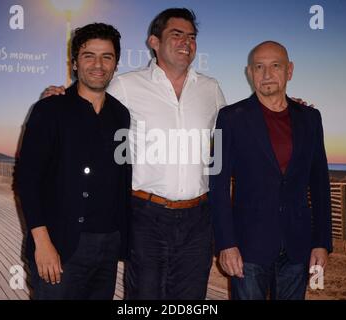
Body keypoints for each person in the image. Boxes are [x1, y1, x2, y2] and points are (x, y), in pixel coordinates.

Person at [43, 8, 226, 299]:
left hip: (198, 220)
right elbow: (87, 96)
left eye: (191, 37)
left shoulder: (211, 88)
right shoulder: (126, 86)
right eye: (176, 35)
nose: (186, 43)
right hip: (145, 217)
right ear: (154, 42)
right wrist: (58, 97)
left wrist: (280, 103)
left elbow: (236, 128)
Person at [209, 41, 332, 300]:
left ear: (290, 70)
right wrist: (226, 243)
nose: (266, 74)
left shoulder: (311, 118)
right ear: (249, 73)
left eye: (275, 66)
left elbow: (320, 184)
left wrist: (322, 242)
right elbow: (217, 185)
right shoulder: (229, 118)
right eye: (259, 67)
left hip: (297, 246)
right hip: (247, 247)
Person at [16, 23, 131, 300]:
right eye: (88, 55)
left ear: (116, 63)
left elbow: (120, 177)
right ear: (74, 63)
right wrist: (42, 243)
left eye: (107, 56)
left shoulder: (121, 115)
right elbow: (27, 180)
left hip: (107, 247)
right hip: (60, 244)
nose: (98, 65)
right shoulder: (49, 110)